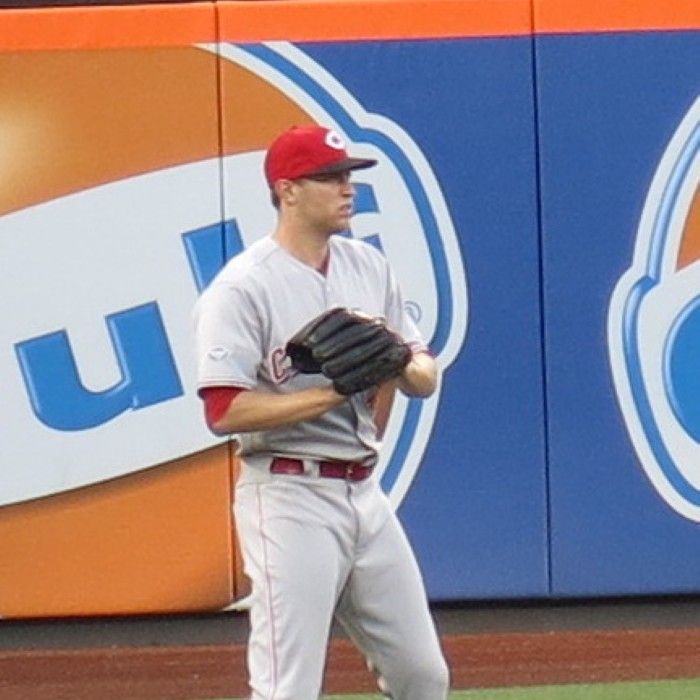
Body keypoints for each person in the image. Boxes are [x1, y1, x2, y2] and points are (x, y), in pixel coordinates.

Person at [193, 124, 449, 700]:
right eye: (329, 177)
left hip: (364, 494)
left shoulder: (368, 266)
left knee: (422, 676)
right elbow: (225, 411)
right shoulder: (242, 288)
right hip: (288, 496)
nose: (347, 187)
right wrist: (333, 393)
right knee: (287, 687)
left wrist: (404, 366)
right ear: (287, 190)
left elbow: (422, 369)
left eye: (348, 175)